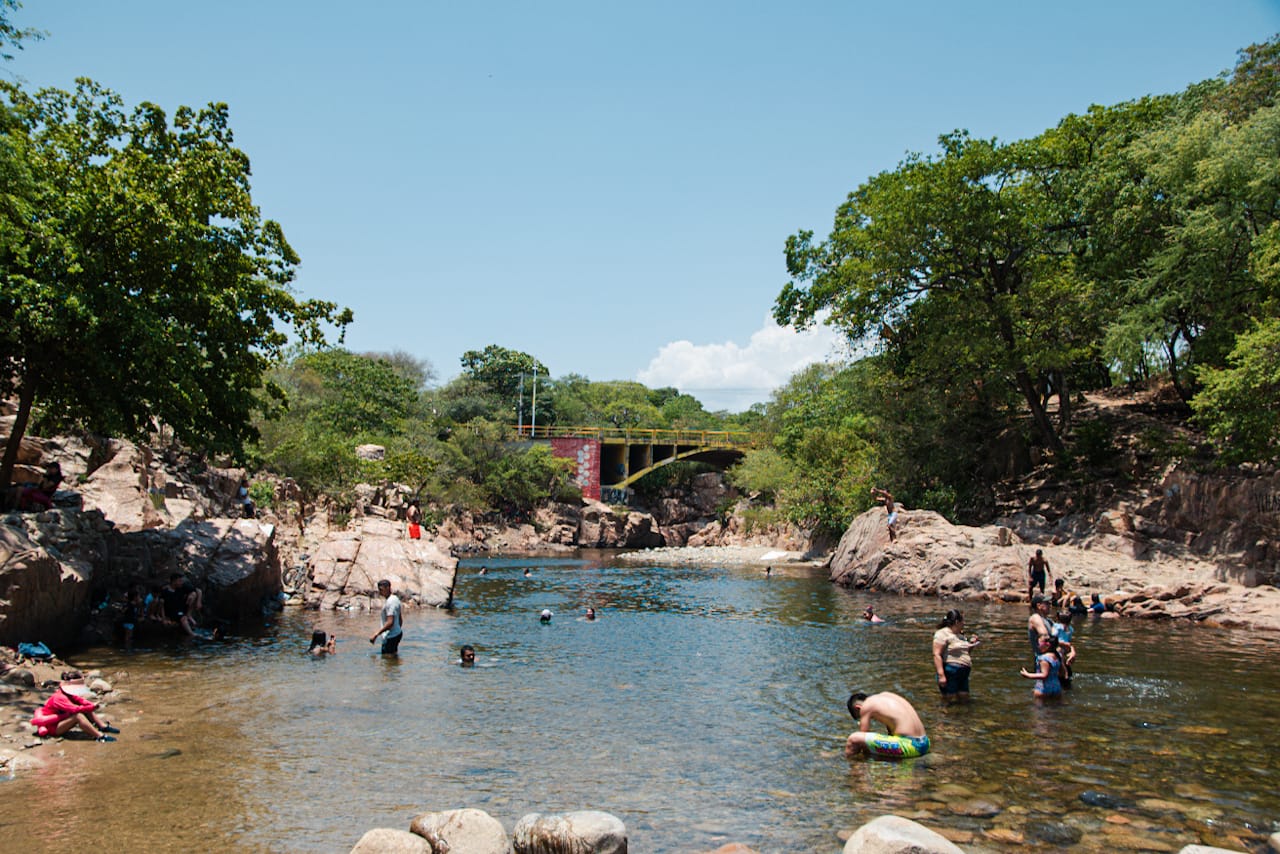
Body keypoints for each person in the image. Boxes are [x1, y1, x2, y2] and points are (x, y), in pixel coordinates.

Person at [30, 671, 118, 742]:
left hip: (60, 721)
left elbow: (80, 700)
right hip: (52, 727)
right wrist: (91, 707)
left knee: (84, 707)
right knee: (78, 716)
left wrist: (90, 705)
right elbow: (74, 709)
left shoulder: (68, 693)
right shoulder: (59, 698)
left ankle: (102, 726)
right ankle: (99, 736)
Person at [844, 691, 930, 759]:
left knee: (853, 739)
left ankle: (853, 772)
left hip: (911, 747)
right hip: (925, 743)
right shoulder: (886, 696)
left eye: (860, 717)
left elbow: (863, 738)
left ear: (858, 708)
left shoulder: (867, 706)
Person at [933, 609, 980, 702]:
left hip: (963, 673)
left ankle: (961, 716)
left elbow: (963, 653)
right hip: (950, 671)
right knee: (948, 699)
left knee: (964, 698)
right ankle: (944, 714)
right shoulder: (942, 634)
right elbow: (936, 654)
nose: (964, 623)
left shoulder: (960, 635)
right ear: (957, 622)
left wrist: (972, 644)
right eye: (963, 621)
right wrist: (941, 675)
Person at [1020, 635, 1063, 699]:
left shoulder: (1043, 658)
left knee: (1039, 708)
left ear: (1047, 645)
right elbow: (1062, 672)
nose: (1038, 646)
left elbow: (1044, 675)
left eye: (1039, 644)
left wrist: (1028, 675)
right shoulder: (1058, 656)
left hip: (1043, 690)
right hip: (1057, 688)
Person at [368, 579, 403, 655]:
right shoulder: (395, 599)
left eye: (381, 590)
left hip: (391, 636)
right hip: (396, 633)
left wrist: (376, 634)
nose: (380, 592)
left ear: (387, 588)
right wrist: (397, 630)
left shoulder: (391, 602)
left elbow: (390, 622)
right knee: (392, 658)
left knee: (387, 660)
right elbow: (400, 619)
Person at [1051, 610, 1077, 686]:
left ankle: (1064, 672)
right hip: (1066, 648)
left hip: (1059, 646)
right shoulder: (1071, 629)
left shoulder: (1056, 627)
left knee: (1060, 656)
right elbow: (1069, 640)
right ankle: (1066, 670)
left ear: (1058, 618)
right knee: (1063, 657)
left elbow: (1053, 637)